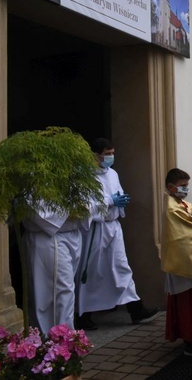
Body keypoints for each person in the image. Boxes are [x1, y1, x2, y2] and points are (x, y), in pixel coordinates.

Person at [76, 138, 157, 330]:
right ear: (95, 155)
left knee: (121, 267)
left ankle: (136, 309)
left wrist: (120, 200)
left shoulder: (112, 173)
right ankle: (83, 315)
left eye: (112, 153)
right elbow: (83, 206)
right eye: (107, 154)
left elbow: (117, 193)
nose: (110, 157)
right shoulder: (83, 176)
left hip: (113, 227)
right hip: (95, 229)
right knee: (92, 271)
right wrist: (109, 201)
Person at [24, 203, 88, 333]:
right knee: (59, 290)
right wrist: (70, 210)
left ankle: (62, 339)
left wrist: (85, 208)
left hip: (72, 233)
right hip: (50, 235)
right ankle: (60, 338)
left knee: (66, 290)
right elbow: (41, 209)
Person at [161, 168, 192, 356]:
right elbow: (184, 235)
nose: (186, 189)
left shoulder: (182, 203)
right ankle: (190, 341)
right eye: (182, 186)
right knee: (187, 305)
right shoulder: (171, 207)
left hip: (188, 259)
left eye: (187, 185)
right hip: (183, 263)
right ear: (171, 187)